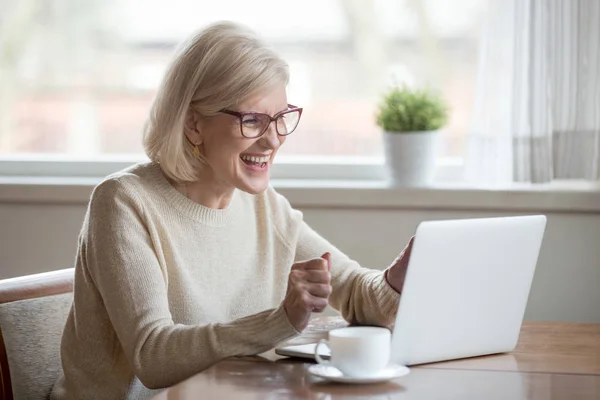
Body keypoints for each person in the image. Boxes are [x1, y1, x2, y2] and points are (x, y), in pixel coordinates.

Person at [50, 21, 414, 400]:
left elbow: (355, 293)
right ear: (193, 124)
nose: (273, 139)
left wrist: (399, 279)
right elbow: (153, 356)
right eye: (253, 120)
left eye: (280, 118)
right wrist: (280, 321)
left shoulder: (263, 205)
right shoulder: (124, 202)